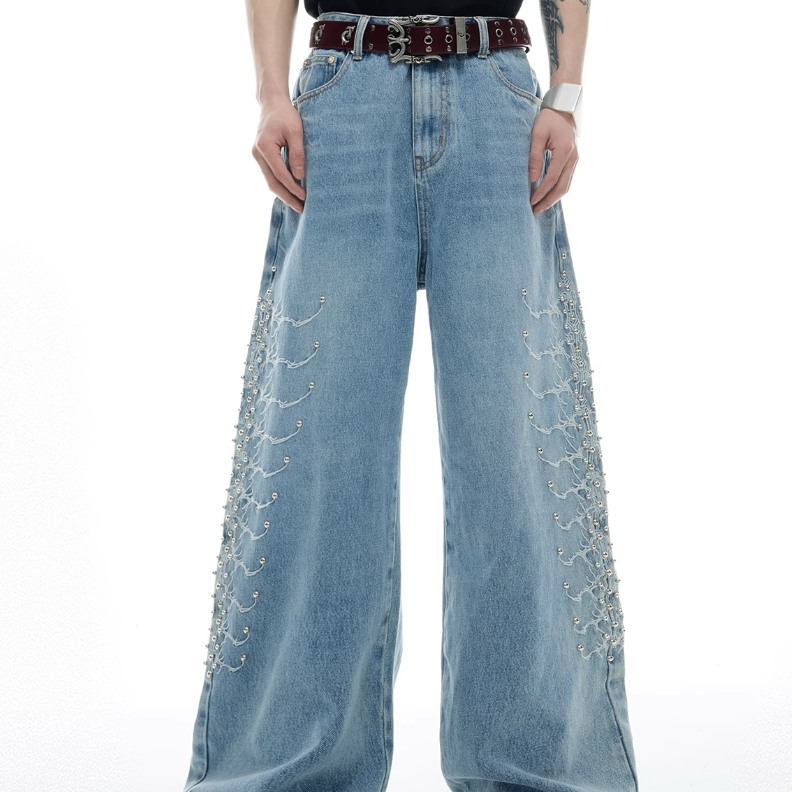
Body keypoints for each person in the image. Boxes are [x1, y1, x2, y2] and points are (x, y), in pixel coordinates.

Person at [182, 1, 639, 790]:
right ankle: (289, 774)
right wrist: (270, 92)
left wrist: (566, 94)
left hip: (497, 99)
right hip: (343, 99)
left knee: (515, 454)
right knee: (319, 455)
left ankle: (537, 772)